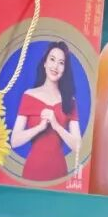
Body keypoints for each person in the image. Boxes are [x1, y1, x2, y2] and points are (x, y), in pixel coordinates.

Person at [11, 41, 82, 182]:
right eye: (52, 59)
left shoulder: (70, 101)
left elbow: (78, 146)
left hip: (59, 172)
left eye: (61, 63)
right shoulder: (29, 95)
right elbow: (14, 141)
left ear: (65, 69)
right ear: (45, 63)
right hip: (32, 170)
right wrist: (39, 128)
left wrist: (56, 125)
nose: (55, 66)